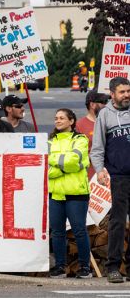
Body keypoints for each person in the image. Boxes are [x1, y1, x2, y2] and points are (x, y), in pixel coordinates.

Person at [90, 76, 130, 283]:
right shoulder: (105, 115)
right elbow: (97, 148)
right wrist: (99, 170)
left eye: (128, 91)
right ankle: (113, 267)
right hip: (119, 176)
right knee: (118, 222)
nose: (126, 95)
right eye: (122, 92)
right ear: (112, 94)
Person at [48, 108, 91, 279]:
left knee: (79, 230)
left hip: (76, 193)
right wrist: (63, 168)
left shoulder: (81, 140)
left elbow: (76, 161)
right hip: (56, 194)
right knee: (57, 232)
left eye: (61, 118)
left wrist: (55, 165)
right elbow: (46, 167)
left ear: (71, 121)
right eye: (56, 118)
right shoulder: (50, 141)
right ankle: (59, 267)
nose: (57, 121)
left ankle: (85, 267)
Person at [75, 90, 110, 179]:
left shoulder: (112, 122)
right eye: (104, 102)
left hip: (114, 175)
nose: (107, 105)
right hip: (91, 177)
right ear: (92, 105)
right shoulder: (79, 125)